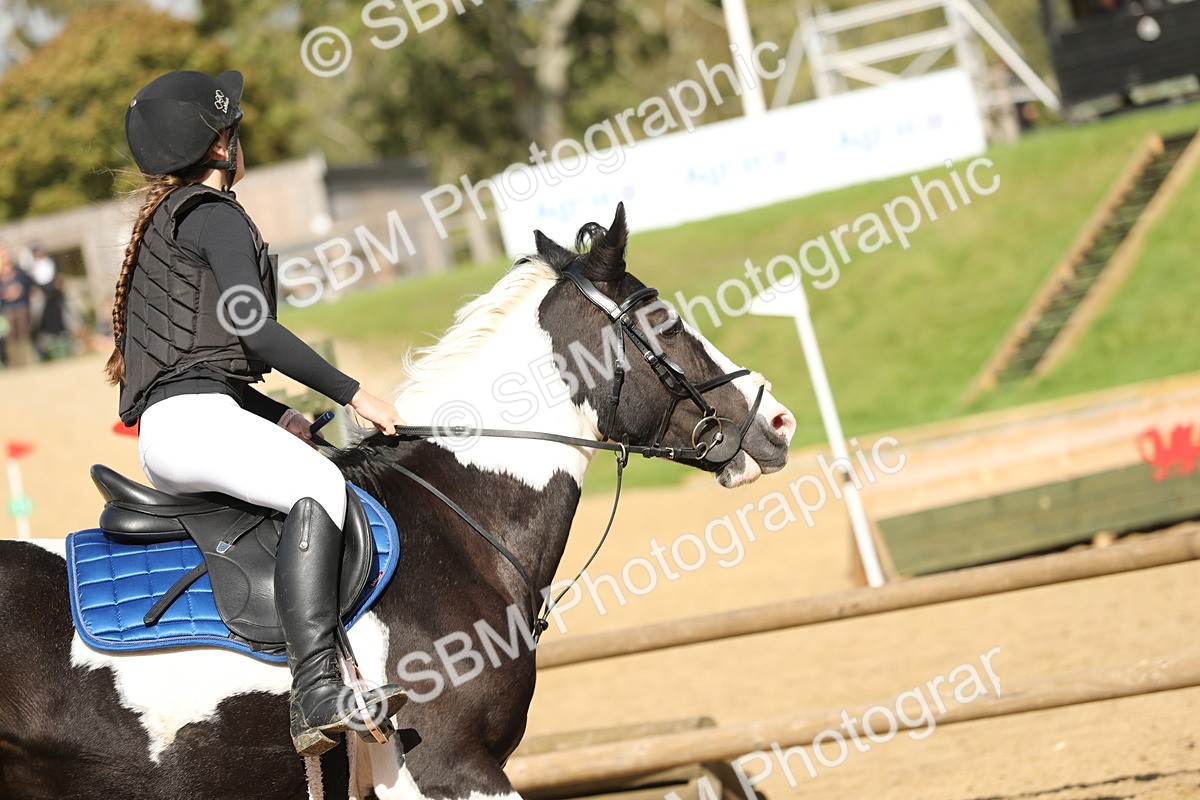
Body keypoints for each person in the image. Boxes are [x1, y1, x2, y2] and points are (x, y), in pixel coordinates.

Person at [110, 70, 406, 757]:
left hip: (177, 428)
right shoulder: (213, 215)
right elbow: (254, 327)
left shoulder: (164, 223)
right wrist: (353, 393)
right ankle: (316, 691)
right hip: (196, 427)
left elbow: (195, 365)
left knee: (301, 474)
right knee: (320, 485)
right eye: (234, 129)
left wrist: (276, 416)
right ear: (221, 145)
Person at [0, 245, 34, 368]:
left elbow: (28, 285)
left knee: (23, 334)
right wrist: (5, 294)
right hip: (7, 309)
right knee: (10, 337)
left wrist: (19, 289)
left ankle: (27, 360)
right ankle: (14, 362)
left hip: (21, 306)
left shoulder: (19, 272)